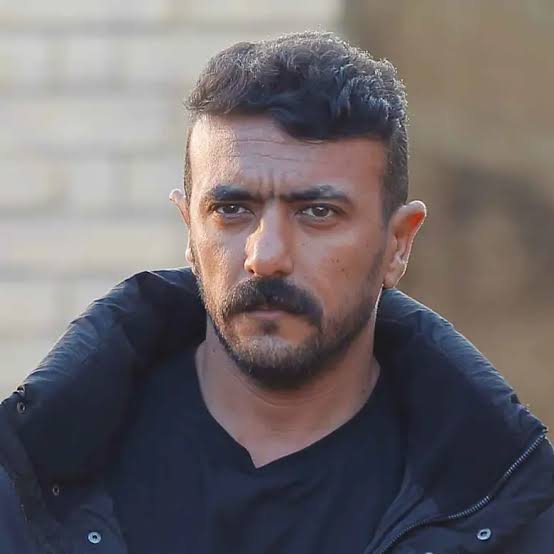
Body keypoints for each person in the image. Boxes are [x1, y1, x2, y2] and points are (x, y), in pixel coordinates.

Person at [1, 31, 553, 554]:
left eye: (318, 212)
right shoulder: (30, 487)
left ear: (398, 244)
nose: (265, 257)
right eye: (231, 210)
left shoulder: (507, 509)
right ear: (189, 231)